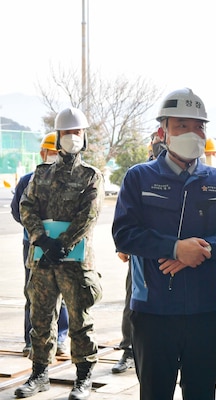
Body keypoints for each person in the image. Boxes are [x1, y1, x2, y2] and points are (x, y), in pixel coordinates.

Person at [112, 88, 216, 400]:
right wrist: (174, 248)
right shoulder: (139, 178)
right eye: (181, 126)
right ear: (164, 133)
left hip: (207, 312)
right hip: (153, 314)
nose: (192, 133)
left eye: (198, 126)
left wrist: (202, 250)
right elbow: (125, 234)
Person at [16, 107, 104, 400]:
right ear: (57, 137)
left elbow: (89, 215)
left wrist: (63, 244)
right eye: (67, 133)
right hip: (42, 261)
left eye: (77, 132)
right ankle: (39, 373)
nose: (72, 138)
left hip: (75, 262)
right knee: (40, 319)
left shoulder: (92, 176)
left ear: (84, 137)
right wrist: (41, 239)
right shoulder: (41, 175)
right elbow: (26, 206)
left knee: (80, 321)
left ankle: (83, 377)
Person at [10, 131, 69, 358]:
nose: (53, 156)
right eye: (50, 152)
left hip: (62, 245)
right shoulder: (28, 179)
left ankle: (60, 338)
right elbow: (18, 213)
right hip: (34, 245)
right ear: (42, 153)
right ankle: (31, 340)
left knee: (62, 291)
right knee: (33, 293)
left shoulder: (71, 177)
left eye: (57, 152)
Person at [111, 132, 166, 375]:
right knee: (132, 303)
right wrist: (123, 247)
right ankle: (128, 350)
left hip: (173, 256)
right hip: (141, 255)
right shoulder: (139, 175)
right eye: (157, 139)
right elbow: (125, 216)